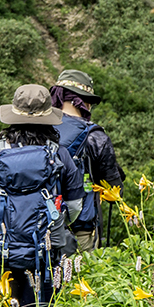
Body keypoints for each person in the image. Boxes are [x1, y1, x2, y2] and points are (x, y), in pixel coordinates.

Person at [0, 84, 85, 307]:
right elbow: (75, 206)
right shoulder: (60, 154)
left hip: (1, 251)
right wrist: (54, 222)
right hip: (45, 254)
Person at [50, 69, 124, 251]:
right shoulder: (94, 136)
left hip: (34, 226)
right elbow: (115, 190)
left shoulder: (35, 130)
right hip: (79, 230)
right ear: (81, 101)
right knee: (80, 276)